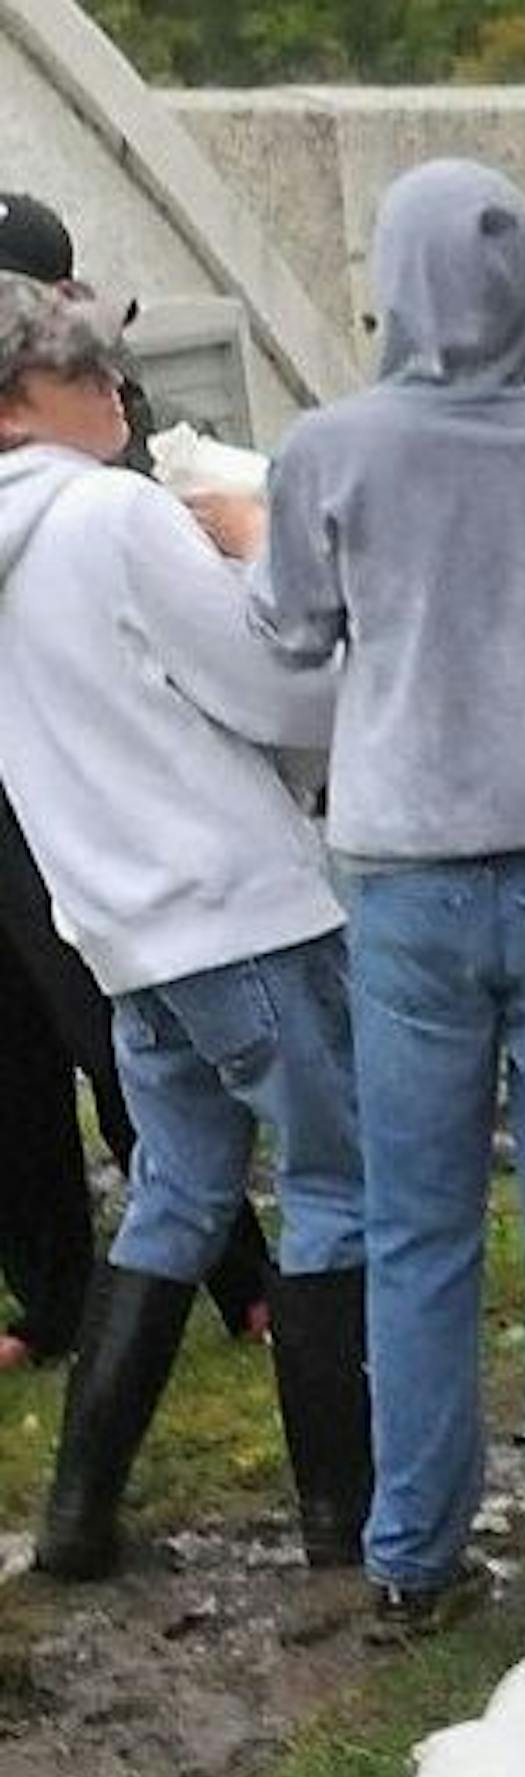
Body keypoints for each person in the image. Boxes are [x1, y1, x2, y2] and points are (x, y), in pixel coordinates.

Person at [214, 160, 525, 1636]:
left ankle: (414, 1553)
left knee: (419, 1223)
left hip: (409, 874)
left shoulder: (332, 452)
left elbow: (288, 633)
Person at [0, 272, 369, 1580]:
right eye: (80, 372)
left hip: (117, 929)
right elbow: (275, 692)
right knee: (337, 1186)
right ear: (10, 408)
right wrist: (268, 550)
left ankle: (76, 1519)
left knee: (175, 1196)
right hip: (237, 910)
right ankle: (345, 1520)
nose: (113, 387)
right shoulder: (115, 514)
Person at [0, 191, 272, 1372]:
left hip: (70, 772)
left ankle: (245, 1277)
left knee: (109, 1025)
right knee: (10, 1051)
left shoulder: (92, 413)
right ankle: (48, 1293)